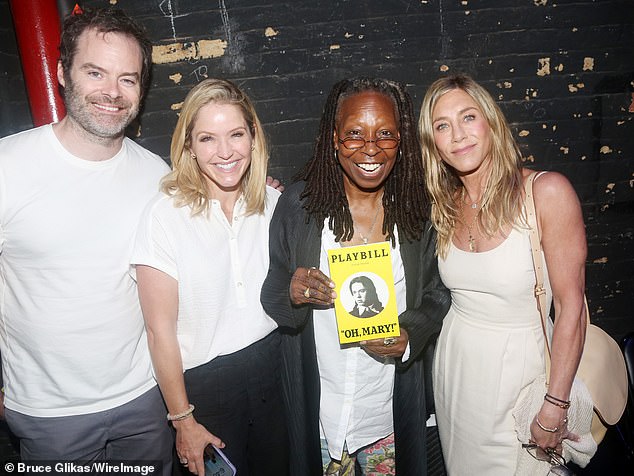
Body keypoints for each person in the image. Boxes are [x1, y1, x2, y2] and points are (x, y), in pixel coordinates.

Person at [0, 7, 173, 472]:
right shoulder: (8, 166)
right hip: (49, 415)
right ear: (61, 72)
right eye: (95, 72)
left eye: (128, 79)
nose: (112, 93)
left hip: (146, 401)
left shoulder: (156, 175)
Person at [261, 77, 451, 476]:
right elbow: (272, 291)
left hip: (385, 415)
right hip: (321, 416)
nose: (370, 148)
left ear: (402, 141)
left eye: (385, 134)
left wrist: (410, 335)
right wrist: (292, 291)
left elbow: (437, 293)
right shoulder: (300, 206)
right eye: (354, 134)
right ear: (334, 138)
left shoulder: (418, 212)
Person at [419, 74, 587, 475]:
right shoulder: (446, 204)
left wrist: (556, 403)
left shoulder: (545, 192)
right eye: (442, 126)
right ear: (434, 144)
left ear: (491, 121)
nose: (458, 134)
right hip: (455, 373)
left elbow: (570, 308)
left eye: (468, 117)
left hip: (520, 377)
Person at [131, 78, 289, 476]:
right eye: (207, 139)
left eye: (236, 134)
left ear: (253, 138)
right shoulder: (164, 216)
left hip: (276, 372)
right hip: (205, 390)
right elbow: (159, 332)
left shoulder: (273, 204)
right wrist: (182, 419)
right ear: (189, 146)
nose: (224, 152)